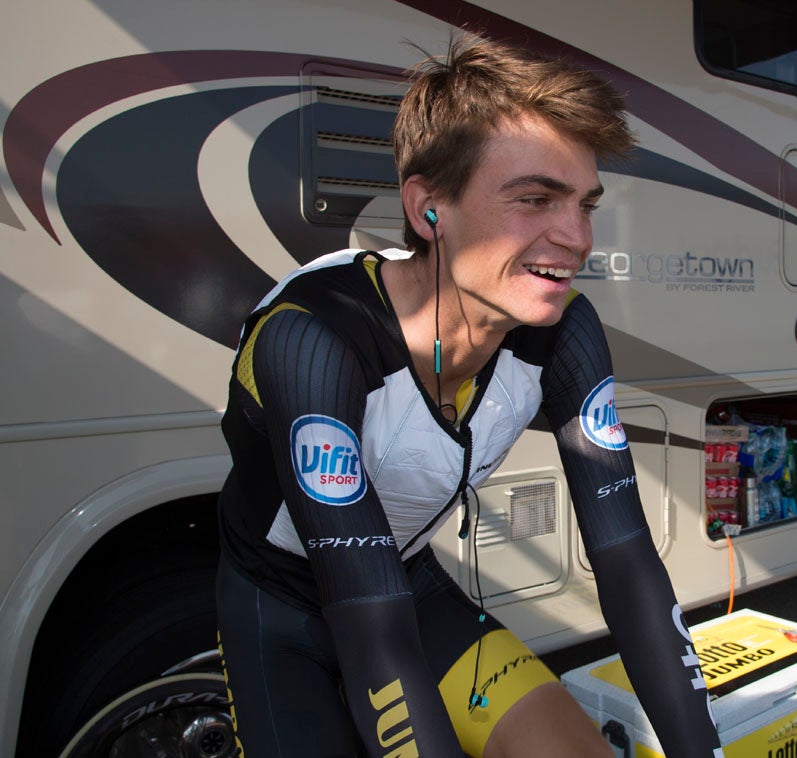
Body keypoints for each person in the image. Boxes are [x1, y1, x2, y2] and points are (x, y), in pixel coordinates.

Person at [215, 36, 725, 758]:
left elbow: (627, 560)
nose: (576, 237)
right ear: (430, 209)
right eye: (535, 199)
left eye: (585, 204)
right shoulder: (314, 337)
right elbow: (371, 636)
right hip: (280, 609)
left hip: (406, 587)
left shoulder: (562, 330)